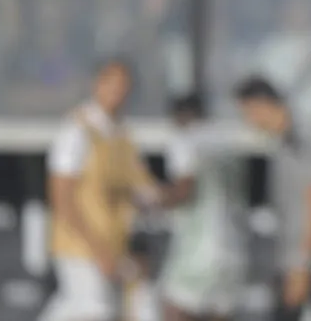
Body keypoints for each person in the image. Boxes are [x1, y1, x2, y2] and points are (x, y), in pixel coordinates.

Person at [41, 57, 160, 321]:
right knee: (94, 310)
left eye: (124, 86)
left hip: (115, 244)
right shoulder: (76, 131)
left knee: (127, 305)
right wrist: (98, 249)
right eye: (112, 84)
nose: (118, 92)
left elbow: (145, 189)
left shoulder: (122, 135)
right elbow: (62, 198)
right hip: (80, 244)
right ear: (97, 84)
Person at [235, 76, 311, 321]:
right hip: (292, 264)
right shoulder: (283, 143)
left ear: (261, 104)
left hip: (308, 265)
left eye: (248, 112)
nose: (248, 121)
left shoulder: (300, 140)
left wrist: (303, 264)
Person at [158, 92, 248, 321]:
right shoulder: (227, 144)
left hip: (200, 252)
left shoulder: (186, 139)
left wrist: (154, 199)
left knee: (174, 306)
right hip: (234, 253)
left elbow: (184, 190)